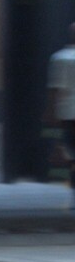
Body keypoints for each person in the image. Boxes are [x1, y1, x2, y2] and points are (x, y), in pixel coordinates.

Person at [51, 23, 75, 210]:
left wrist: (51, 112)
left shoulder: (60, 58)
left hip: (68, 113)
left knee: (71, 154)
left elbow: (57, 90)